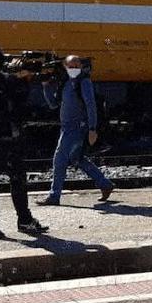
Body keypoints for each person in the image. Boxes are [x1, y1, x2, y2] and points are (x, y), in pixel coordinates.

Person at [0, 43, 48, 239]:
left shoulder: (4, 78)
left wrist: (26, 80)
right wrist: (13, 82)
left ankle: (25, 220)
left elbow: (20, 98)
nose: (3, 59)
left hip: (12, 138)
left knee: (19, 179)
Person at [38, 55, 115, 206]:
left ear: (81, 66)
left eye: (76, 66)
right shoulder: (65, 83)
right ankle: (105, 184)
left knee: (59, 159)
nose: (73, 69)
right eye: (70, 66)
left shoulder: (84, 82)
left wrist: (92, 128)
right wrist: (46, 86)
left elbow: (91, 105)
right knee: (76, 159)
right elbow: (53, 104)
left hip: (77, 127)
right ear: (65, 67)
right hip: (66, 127)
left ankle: (54, 196)